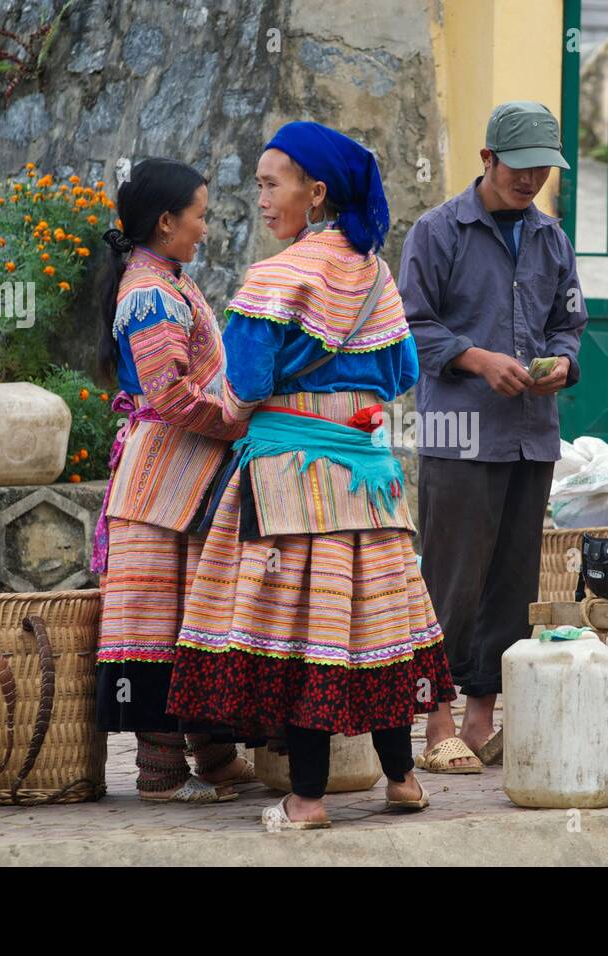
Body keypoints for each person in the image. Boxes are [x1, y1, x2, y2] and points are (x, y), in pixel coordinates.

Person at [166, 122, 454, 830]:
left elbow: (246, 384)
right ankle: (404, 780)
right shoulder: (376, 274)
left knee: (307, 635)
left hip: (293, 480)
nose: (260, 198)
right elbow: (405, 372)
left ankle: (310, 798)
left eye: (271, 183)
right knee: (378, 628)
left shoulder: (274, 277)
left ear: (315, 192)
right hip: (370, 479)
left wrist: (231, 407)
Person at [399, 101, 587, 773]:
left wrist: (562, 362)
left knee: (511, 583)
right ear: (487, 159)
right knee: (451, 581)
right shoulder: (437, 231)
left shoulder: (551, 238)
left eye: (543, 169)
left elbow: (569, 321)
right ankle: (435, 719)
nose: (532, 179)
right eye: (520, 167)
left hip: (531, 435)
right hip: (458, 434)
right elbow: (410, 326)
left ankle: (482, 721)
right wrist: (477, 359)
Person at [92, 158, 256, 803]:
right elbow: (173, 398)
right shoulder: (150, 293)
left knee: (192, 620)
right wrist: (243, 420)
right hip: (163, 485)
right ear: (166, 222)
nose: (206, 229)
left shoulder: (169, 281)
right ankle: (161, 776)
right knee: (157, 628)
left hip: (184, 482)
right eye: (200, 216)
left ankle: (214, 762)